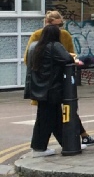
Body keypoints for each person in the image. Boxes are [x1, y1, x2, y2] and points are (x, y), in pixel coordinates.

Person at [24, 11, 94, 147]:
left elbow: (70, 54)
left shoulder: (63, 36)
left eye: (61, 25)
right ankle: (51, 146)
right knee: (51, 116)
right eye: (56, 25)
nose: (59, 28)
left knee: (55, 115)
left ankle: (67, 143)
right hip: (51, 85)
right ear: (47, 24)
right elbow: (67, 58)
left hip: (51, 84)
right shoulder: (46, 41)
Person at [26, 25, 76, 156]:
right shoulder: (55, 45)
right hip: (52, 89)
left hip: (40, 89)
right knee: (47, 120)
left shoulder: (36, 47)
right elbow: (67, 58)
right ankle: (39, 148)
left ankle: (67, 144)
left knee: (52, 118)